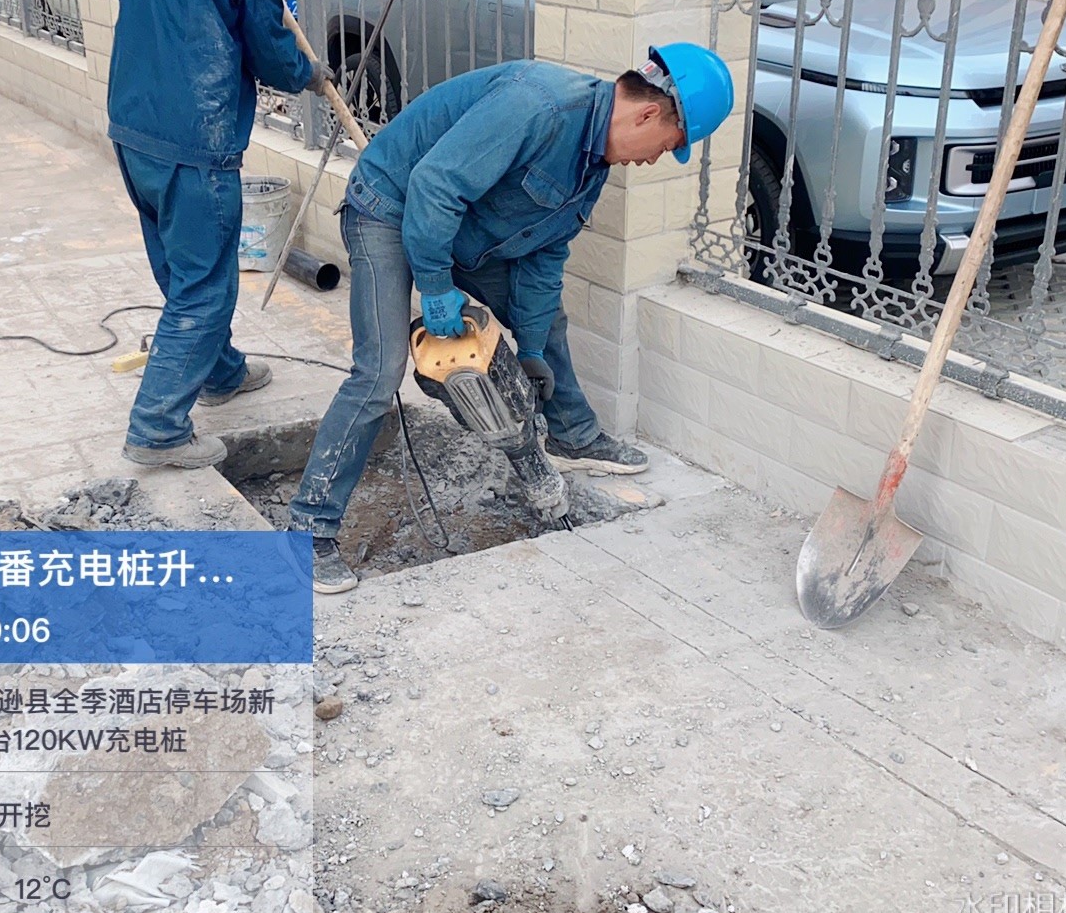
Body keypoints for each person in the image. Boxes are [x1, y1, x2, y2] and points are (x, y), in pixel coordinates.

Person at [288, 48, 735, 593]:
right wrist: (435, 287)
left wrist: (531, 352)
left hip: (461, 232)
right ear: (647, 115)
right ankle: (309, 528)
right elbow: (434, 186)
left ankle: (571, 436)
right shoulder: (539, 106)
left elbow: (542, 258)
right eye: (666, 146)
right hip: (389, 206)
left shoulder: (590, 165)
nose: (654, 160)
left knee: (547, 321)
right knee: (379, 371)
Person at [108, 0, 332, 469]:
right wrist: (307, 73)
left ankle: (220, 372)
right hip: (196, 139)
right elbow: (270, 55)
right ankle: (157, 426)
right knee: (205, 286)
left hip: (134, 125)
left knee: (179, 266)